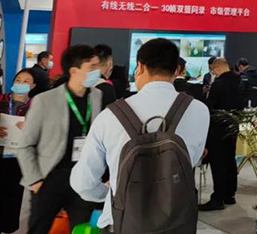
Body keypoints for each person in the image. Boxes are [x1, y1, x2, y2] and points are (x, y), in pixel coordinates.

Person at [70, 38, 210, 231]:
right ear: (177, 69)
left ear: (140, 67)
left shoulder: (111, 115)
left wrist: (111, 190)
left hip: (123, 222)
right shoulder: (199, 110)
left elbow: (83, 183)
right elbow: (192, 159)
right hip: (176, 221)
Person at [17, 45, 104, 234]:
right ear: (74, 71)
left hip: (83, 178)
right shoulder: (45, 100)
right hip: (50, 177)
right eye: (92, 67)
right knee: (39, 229)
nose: (97, 71)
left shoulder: (97, 96)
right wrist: (36, 180)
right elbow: (25, 145)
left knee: (83, 230)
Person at [200, 57, 245, 211]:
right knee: (230, 160)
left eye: (213, 70)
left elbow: (210, 107)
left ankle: (217, 198)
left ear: (217, 68)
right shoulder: (239, 81)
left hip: (218, 128)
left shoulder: (218, 84)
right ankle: (229, 194)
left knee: (218, 163)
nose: (213, 73)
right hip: (233, 125)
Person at [0, 69, 35, 233]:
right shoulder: (2, 100)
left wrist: (29, 129)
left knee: (14, 192)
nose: (21, 84)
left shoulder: (36, 106)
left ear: (32, 86)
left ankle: (8, 227)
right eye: (18, 80)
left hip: (19, 157)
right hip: (1, 151)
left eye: (26, 81)